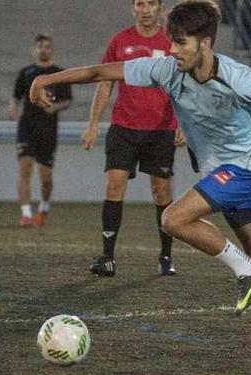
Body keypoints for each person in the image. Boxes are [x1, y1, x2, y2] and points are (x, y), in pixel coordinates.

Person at [29, 1, 251, 350]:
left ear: (205, 43)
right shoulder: (167, 70)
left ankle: (248, 271)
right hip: (222, 169)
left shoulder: (238, 78)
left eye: (181, 43)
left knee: (173, 218)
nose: (172, 50)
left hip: (248, 167)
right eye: (171, 41)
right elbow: (100, 73)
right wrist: (47, 78)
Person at [82, 0, 183, 277]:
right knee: (114, 186)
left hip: (161, 129)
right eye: (141, 3)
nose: (146, 8)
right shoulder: (120, 41)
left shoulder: (171, 41)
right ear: (133, 8)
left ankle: (165, 255)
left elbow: (183, 84)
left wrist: (185, 122)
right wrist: (93, 124)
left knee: (161, 192)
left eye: (152, 3)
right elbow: (104, 83)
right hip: (123, 128)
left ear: (159, 8)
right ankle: (107, 257)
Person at [9, 34, 72, 227]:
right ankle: (26, 213)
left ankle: (43, 207)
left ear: (51, 50)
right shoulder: (26, 72)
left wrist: (55, 107)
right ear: (34, 49)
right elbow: (16, 96)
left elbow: (67, 100)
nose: (43, 49)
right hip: (27, 127)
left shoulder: (59, 73)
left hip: (48, 129)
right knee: (25, 168)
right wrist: (12, 106)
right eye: (40, 46)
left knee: (46, 178)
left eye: (47, 46)